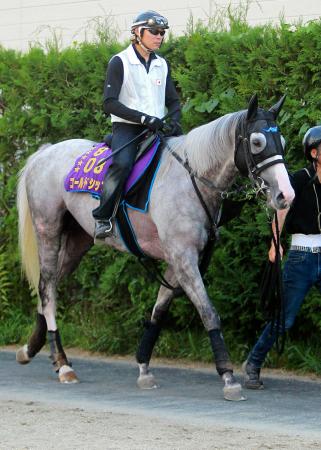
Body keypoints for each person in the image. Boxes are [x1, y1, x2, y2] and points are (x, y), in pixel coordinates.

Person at [92, 10, 182, 240]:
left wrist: (174, 120)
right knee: (122, 164)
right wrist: (143, 118)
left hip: (157, 128)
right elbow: (109, 103)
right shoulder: (119, 61)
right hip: (128, 129)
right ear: (137, 32)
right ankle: (103, 217)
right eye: (154, 32)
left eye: (162, 33)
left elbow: (173, 100)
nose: (159, 36)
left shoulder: (162, 64)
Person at [244, 125, 321, 389]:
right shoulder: (299, 180)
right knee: (284, 318)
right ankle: (253, 363)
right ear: (314, 153)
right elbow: (281, 211)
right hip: (301, 258)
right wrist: (275, 243)